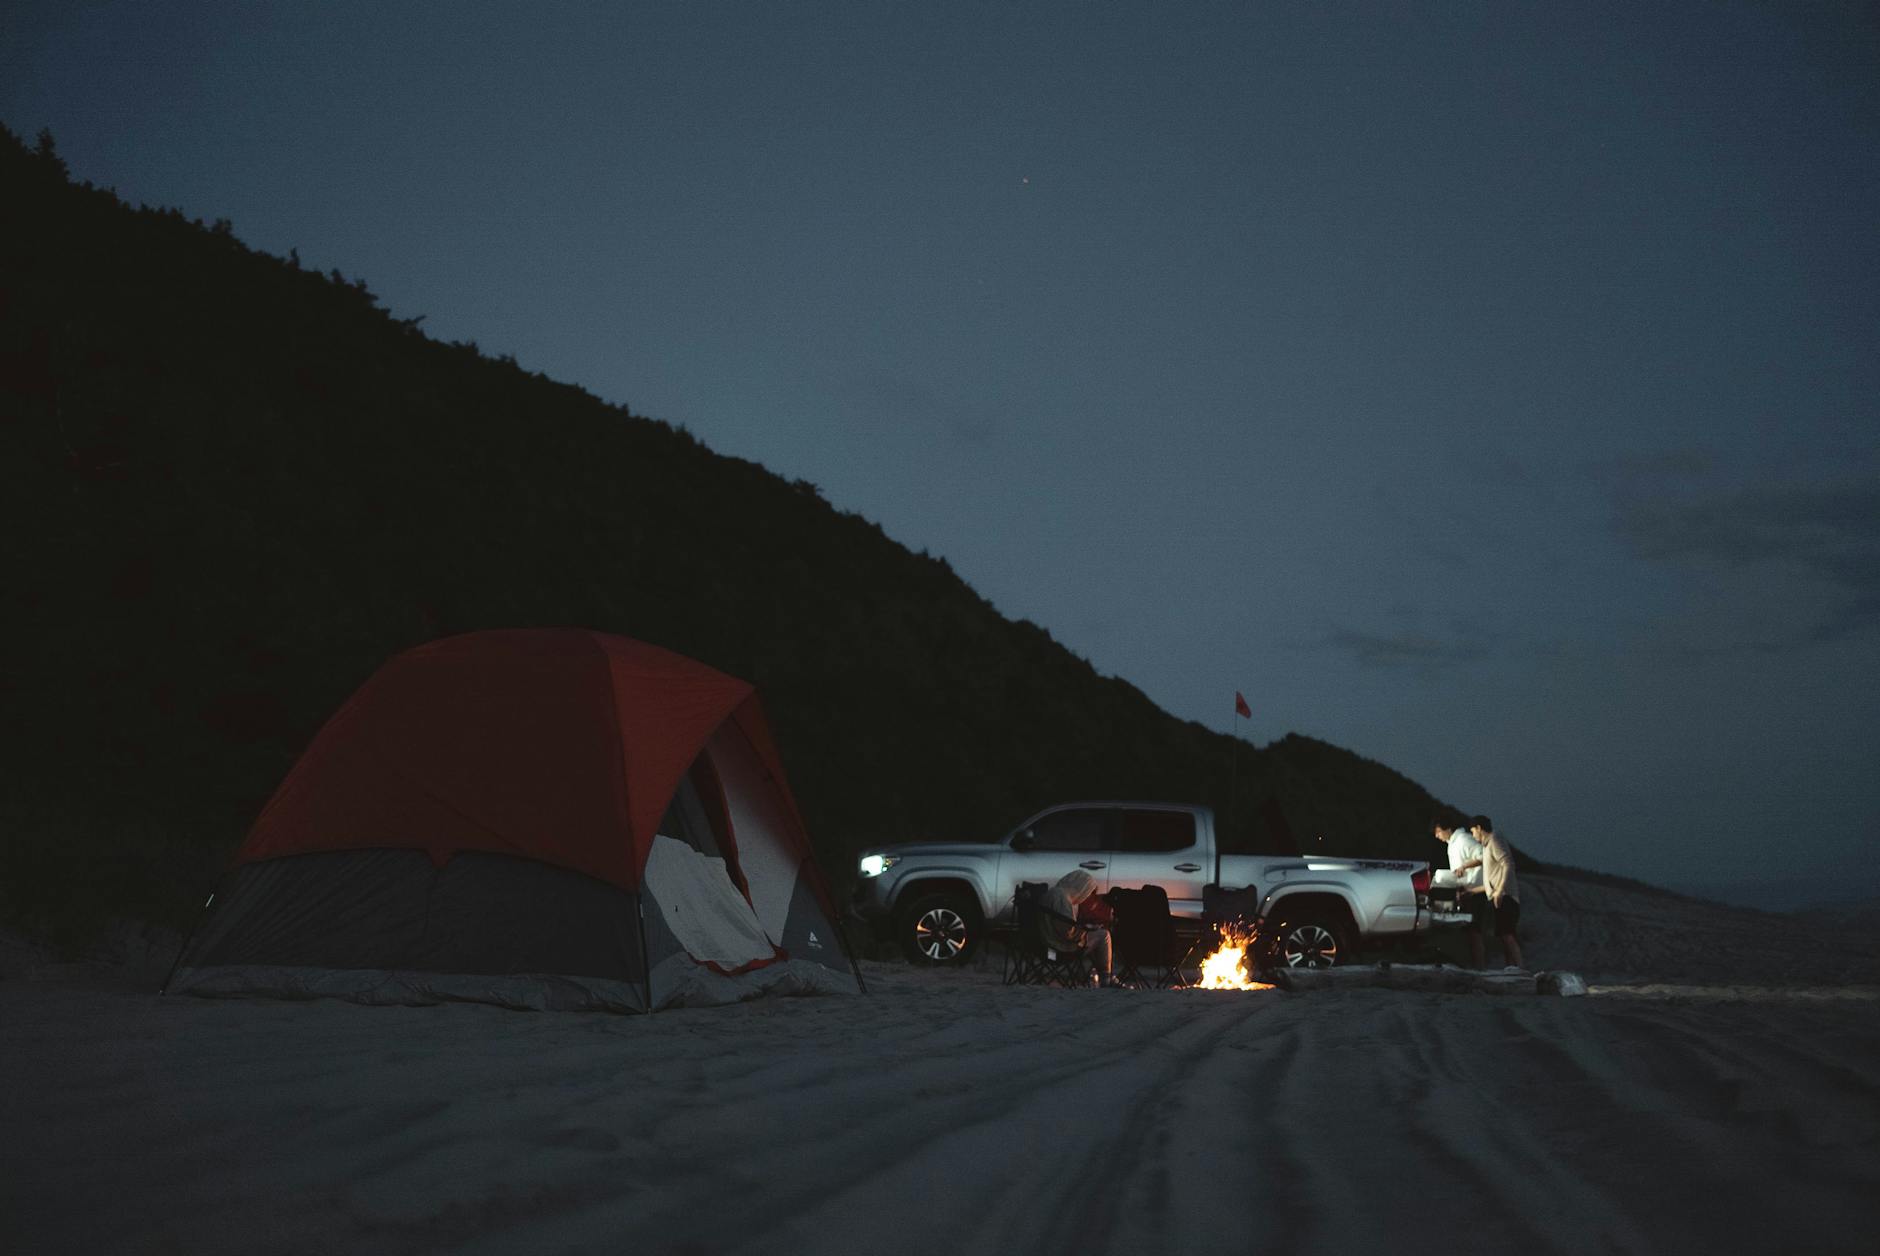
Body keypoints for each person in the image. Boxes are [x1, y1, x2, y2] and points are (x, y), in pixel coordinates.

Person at [1456, 814, 1523, 970]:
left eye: (1473, 832)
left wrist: (1499, 891)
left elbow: (1507, 863)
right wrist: (1472, 891)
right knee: (1503, 936)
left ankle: (1520, 969)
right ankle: (1511, 969)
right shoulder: (1487, 846)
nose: (1473, 835)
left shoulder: (1494, 839)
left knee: (1508, 935)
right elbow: (1491, 880)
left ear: (1479, 828)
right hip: (1498, 896)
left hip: (1506, 897)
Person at [1045, 869, 1121, 987]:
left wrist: (1085, 929)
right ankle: (1106, 979)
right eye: (1086, 892)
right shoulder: (1062, 898)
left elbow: (1061, 925)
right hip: (1059, 950)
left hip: (1047, 947)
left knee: (1095, 936)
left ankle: (1101, 975)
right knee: (1104, 935)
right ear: (1079, 886)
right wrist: (1085, 931)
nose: (1084, 897)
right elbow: (1067, 932)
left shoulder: (1053, 893)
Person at [1431, 817, 1488, 967]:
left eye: (1438, 832)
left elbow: (1484, 855)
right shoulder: (1452, 844)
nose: (1437, 836)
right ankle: (1473, 966)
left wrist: (1465, 866)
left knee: (1475, 931)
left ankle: (1480, 968)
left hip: (1475, 890)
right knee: (1468, 932)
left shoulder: (1463, 839)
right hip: (1464, 890)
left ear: (1447, 829)